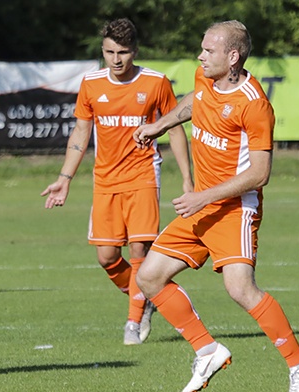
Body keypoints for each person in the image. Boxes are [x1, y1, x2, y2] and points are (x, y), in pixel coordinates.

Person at [133, 20, 299, 392]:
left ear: (232, 57)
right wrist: (158, 125)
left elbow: (260, 174)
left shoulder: (254, 104)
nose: (200, 56)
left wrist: (203, 197)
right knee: (148, 276)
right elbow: (192, 102)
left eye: (208, 51)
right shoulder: (205, 78)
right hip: (202, 205)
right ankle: (206, 350)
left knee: (240, 289)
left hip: (234, 208)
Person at [41, 18, 193, 346]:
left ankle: (132, 323)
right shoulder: (91, 84)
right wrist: (64, 178)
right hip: (105, 180)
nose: (117, 59)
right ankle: (148, 294)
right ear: (103, 51)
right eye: (110, 52)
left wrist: (186, 179)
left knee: (140, 248)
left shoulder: (155, 83)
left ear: (135, 51)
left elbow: (175, 128)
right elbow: (81, 132)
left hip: (142, 176)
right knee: (107, 257)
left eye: (123, 52)